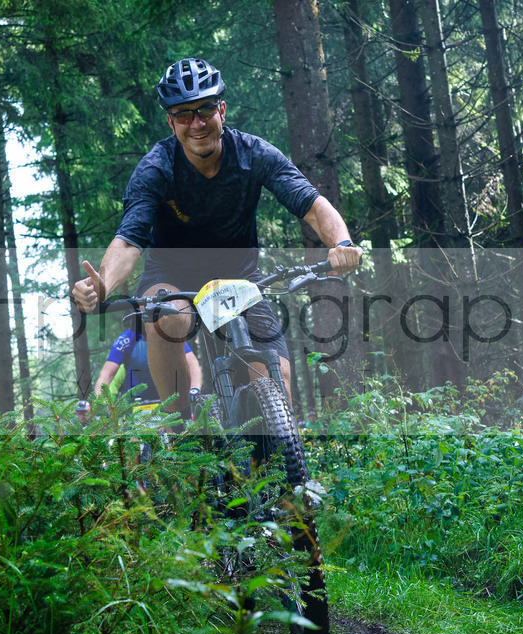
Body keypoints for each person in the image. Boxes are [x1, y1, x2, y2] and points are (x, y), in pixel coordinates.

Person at [72, 58, 362, 419]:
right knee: (162, 316)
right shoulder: (155, 168)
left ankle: (274, 449)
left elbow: (312, 205)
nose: (196, 123)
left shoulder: (253, 153)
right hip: (171, 279)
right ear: (171, 122)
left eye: (205, 109)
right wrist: (102, 285)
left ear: (221, 110)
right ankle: (180, 431)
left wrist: (342, 244)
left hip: (239, 279)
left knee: (278, 380)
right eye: (183, 114)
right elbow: (130, 241)